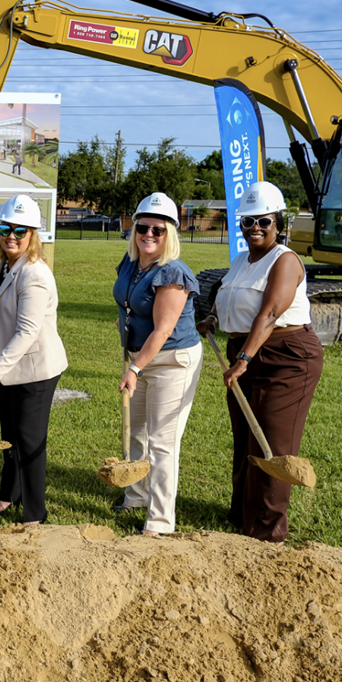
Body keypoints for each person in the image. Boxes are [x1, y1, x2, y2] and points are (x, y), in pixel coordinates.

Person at [198, 181, 323, 543]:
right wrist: (215, 320)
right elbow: (233, 301)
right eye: (248, 221)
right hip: (246, 352)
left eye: (263, 221)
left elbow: (269, 313)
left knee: (271, 441)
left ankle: (267, 531)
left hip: (287, 357)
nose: (254, 228)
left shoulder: (285, 260)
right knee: (246, 437)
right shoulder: (242, 260)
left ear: (278, 223)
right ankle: (241, 515)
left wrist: (243, 359)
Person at [111, 192, 203, 536]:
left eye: (158, 230)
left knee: (163, 441)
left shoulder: (174, 273)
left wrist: (135, 369)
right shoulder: (131, 263)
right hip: (141, 357)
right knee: (138, 431)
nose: (149, 235)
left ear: (170, 235)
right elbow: (126, 303)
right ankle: (135, 495)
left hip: (172, 361)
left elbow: (164, 329)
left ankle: (160, 521)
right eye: (143, 227)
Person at [0, 195, 68, 525]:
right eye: (5, 228)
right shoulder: (6, 265)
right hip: (10, 367)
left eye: (20, 230)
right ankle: (9, 497)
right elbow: (0, 304)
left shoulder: (35, 274)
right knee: (10, 436)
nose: (11, 236)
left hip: (33, 370)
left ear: (33, 235)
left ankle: (34, 515)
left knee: (29, 442)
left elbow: (28, 330)